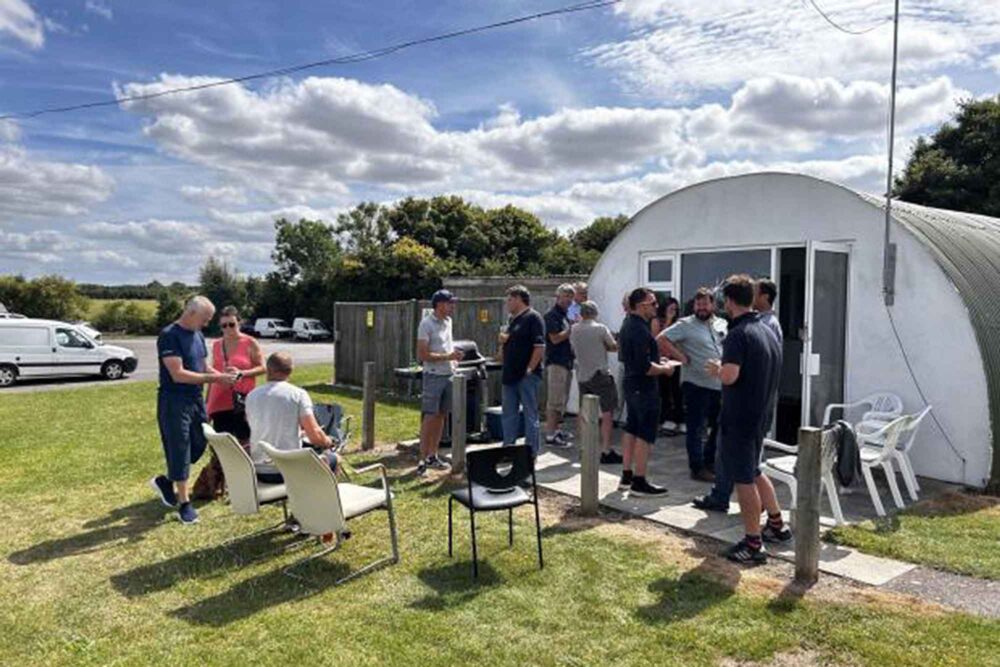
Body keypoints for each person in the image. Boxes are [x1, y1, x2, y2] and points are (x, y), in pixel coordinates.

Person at [705, 275, 786, 564]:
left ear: (728, 301)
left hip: (740, 418)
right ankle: (776, 524)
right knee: (754, 469)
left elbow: (730, 375)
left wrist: (717, 369)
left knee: (743, 480)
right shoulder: (765, 328)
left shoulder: (738, 334)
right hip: (761, 415)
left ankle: (753, 543)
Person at [149, 296, 236, 525]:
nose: (207, 324)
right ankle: (184, 504)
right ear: (191, 313)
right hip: (174, 400)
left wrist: (222, 375)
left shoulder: (197, 335)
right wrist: (212, 378)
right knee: (180, 446)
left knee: (198, 444)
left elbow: (202, 365)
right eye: (205, 319)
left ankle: (167, 481)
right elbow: (178, 374)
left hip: (195, 399)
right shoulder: (169, 335)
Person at [658, 288, 727, 482]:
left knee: (719, 425)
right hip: (696, 384)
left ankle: (709, 461)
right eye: (698, 304)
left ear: (713, 305)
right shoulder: (685, 324)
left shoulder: (721, 323)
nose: (702, 308)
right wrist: (681, 357)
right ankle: (697, 468)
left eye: (705, 304)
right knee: (696, 428)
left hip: (718, 384)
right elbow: (661, 339)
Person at [246, 352, 337, 485]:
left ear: (268, 369)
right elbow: (315, 436)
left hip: (258, 469)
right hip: (288, 470)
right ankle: (325, 500)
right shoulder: (298, 395)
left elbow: (260, 425)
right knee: (334, 459)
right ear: (290, 371)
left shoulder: (252, 395)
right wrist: (328, 441)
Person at [618, 288, 673, 496]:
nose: (656, 307)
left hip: (632, 385)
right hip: (643, 386)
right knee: (645, 432)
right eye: (653, 303)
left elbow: (640, 359)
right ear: (641, 306)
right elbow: (645, 367)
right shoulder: (639, 329)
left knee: (632, 427)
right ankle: (639, 481)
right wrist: (665, 369)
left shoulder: (630, 324)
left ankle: (627, 475)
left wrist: (659, 361)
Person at [415, 289, 464, 476]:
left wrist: (454, 357)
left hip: (448, 373)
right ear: (440, 304)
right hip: (433, 374)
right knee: (429, 416)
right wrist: (448, 356)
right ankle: (421, 459)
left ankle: (432, 455)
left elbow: (446, 346)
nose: (452, 306)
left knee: (442, 415)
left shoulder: (448, 322)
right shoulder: (426, 324)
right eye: (450, 303)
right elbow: (423, 355)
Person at [569, 300, 622, 464]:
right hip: (600, 374)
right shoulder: (600, 328)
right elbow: (613, 347)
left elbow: (575, 348)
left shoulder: (574, 329)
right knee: (607, 412)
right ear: (595, 313)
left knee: (583, 411)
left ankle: (584, 448)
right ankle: (605, 449)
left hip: (583, 375)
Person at [497, 285, 545, 456]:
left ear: (519, 299)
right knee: (508, 414)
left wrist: (530, 369)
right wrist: (502, 345)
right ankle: (508, 448)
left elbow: (539, 347)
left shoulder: (533, 317)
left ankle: (531, 451)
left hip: (526, 376)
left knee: (530, 414)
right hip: (509, 374)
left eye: (510, 299)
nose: (507, 303)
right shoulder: (511, 320)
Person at [206, 306, 265, 444]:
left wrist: (242, 373)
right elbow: (213, 375)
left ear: (239, 323)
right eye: (224, 326)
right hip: (220, 400)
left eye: (231, 324)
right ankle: (221, 466)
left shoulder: (249, 342)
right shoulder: (217, 345)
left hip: (242, 400)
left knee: (244, 440)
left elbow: (263, 367)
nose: (228, 329)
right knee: (221, 443)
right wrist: (208, 402)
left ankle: (245, 465)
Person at [543, 284, 576, 448]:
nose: (568, 299)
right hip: (556, 362)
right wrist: (572, 330)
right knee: (554, 401)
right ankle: (550, 435)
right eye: (566, 296)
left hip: (566, 362)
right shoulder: (552, 315)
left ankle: (556, 430)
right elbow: (554, 338)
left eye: (571, 296)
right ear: (558, 296)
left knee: (562, 400)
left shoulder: (564, 315)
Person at [655, 297, 684, 433]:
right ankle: (668, 419)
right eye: (671, 309)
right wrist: (667, 321)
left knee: (678, 392)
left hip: (676, 361)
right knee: (665, 392)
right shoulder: (657, 321)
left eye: (675, 309)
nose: (673, 312)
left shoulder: (679, 323)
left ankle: (680, 419)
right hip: (663, 361)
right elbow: (658, 340)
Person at [754, 278, 783, 343]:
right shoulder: (755, 319)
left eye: (754, 293)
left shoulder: (769, 324)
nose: (751, 297)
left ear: (765, 297)